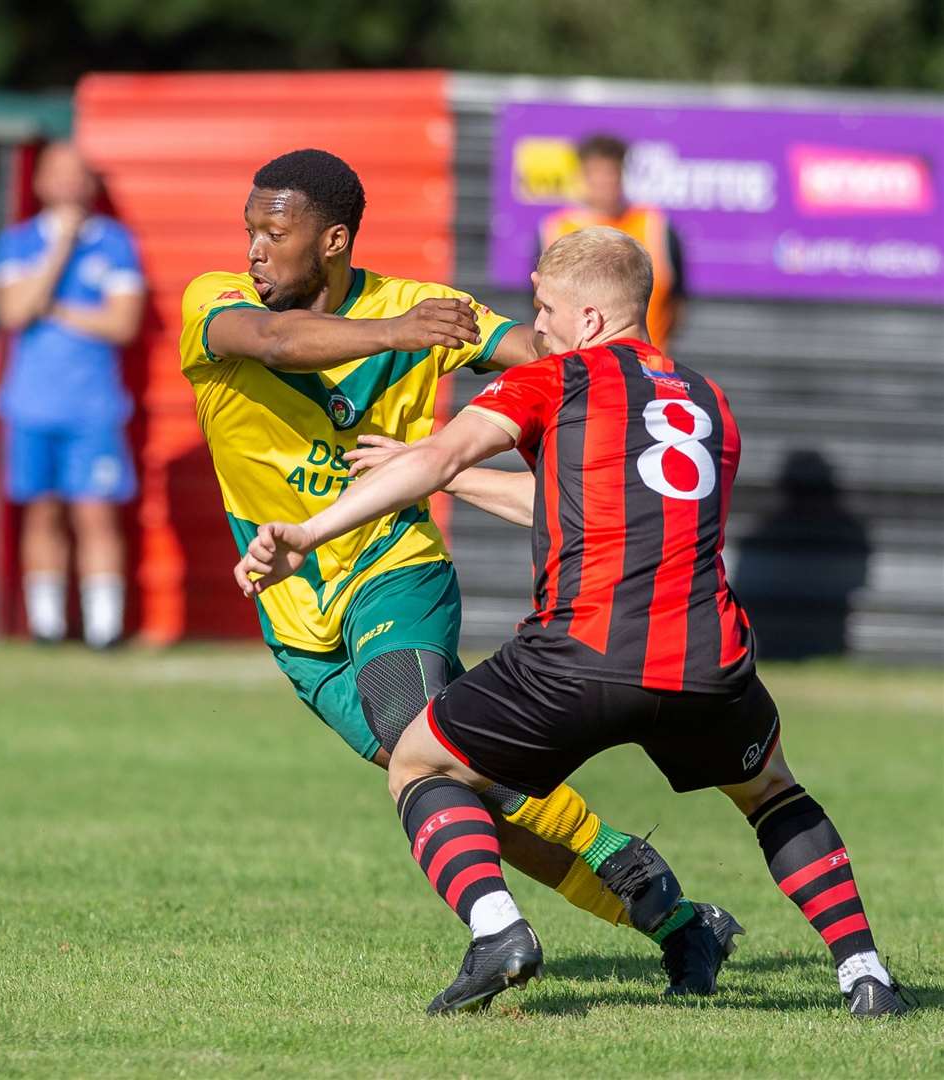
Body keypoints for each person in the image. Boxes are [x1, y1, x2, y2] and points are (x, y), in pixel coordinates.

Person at [235, 226, 909, 1018]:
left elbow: (444, 457)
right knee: (771, 794)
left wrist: (310, 532)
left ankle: (497, 932)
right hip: (706, 659)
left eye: (545, 309)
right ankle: (865, 974)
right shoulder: (707, 402)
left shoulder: (558, 378)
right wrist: (440, 473)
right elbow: (582, 513)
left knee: (419, 762)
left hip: (580, 653)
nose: (537, 329)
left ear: (589, 320)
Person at [184, 149, 741, 995]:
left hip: (390, 568)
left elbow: (544, 356)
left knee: (423, 739)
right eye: (250, 230)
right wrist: (396, 336)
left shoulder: (426, 309)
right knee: (468, 805)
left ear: (332, 240)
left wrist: (630, 381)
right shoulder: (218, 301)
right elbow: (273, 343)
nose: (255, 248)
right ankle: (674, 918)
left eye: (275, 231)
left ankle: (499, 936)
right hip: (292, 614)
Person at [0, 142, 144, 649]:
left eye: (78, 174)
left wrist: (54, 309)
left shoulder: (115, 243)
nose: (68, 182)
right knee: (42, 512)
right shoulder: (17, 242)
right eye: (57, 172)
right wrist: (59, 249)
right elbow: (13, 312)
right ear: (39, 182)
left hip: (93, 405)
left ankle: (105, 628)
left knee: (96, 513)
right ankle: (47, 626)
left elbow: (123, 322)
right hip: (31, 403)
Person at [539, 134, 686, 350]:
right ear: (581, 175)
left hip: (645, 367)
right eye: (595, 174)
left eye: (610, 173)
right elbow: (541, 305)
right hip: (575, 371)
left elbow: (677, 303)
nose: (604, 182)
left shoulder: (655, 226)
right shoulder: (555, 229)